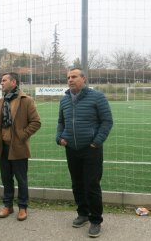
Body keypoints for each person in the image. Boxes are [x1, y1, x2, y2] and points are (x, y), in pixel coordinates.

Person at [56, 67, 113, 238]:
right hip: (71, 149)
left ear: (84, 79)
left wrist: (96, 142)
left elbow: (107, 121)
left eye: (74, 77)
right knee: (77, 184)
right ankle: (82, 214)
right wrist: (59, 137)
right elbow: (61, 122)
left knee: (92, 185)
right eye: (68, 77)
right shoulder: (64, 100)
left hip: (91, 149)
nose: (70, 80)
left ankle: (96, 220)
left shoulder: (97, 97)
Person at [0, 72, 41, 221]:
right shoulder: (1, 101)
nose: (1, 83)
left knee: (21, 179)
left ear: (14, 82)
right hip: (3, 147)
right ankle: (8, 205)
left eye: (4, 80)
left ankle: (22, 207)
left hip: (18, 147)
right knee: (6, 178)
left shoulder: (26, 100)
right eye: (1, 81)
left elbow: (36, 122)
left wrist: (22, 136)